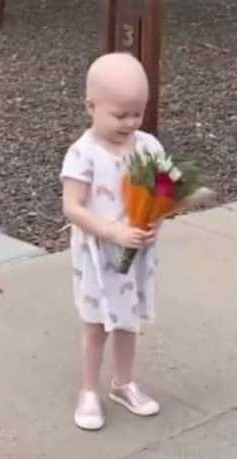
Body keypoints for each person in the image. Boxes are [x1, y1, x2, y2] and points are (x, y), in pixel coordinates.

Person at [61, 52, 171, 430]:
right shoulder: (83, 154)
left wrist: (156, 218)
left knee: (128, 322)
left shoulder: (148, 147)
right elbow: (72, 207)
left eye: (137, 113)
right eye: (120, 114)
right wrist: (112, 231)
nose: (130, 122)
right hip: (97, 255)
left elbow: (162, 191)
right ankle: (88, 389)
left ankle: (123, 382)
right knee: (96, 325)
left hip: (136, 252)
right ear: (90, 106)